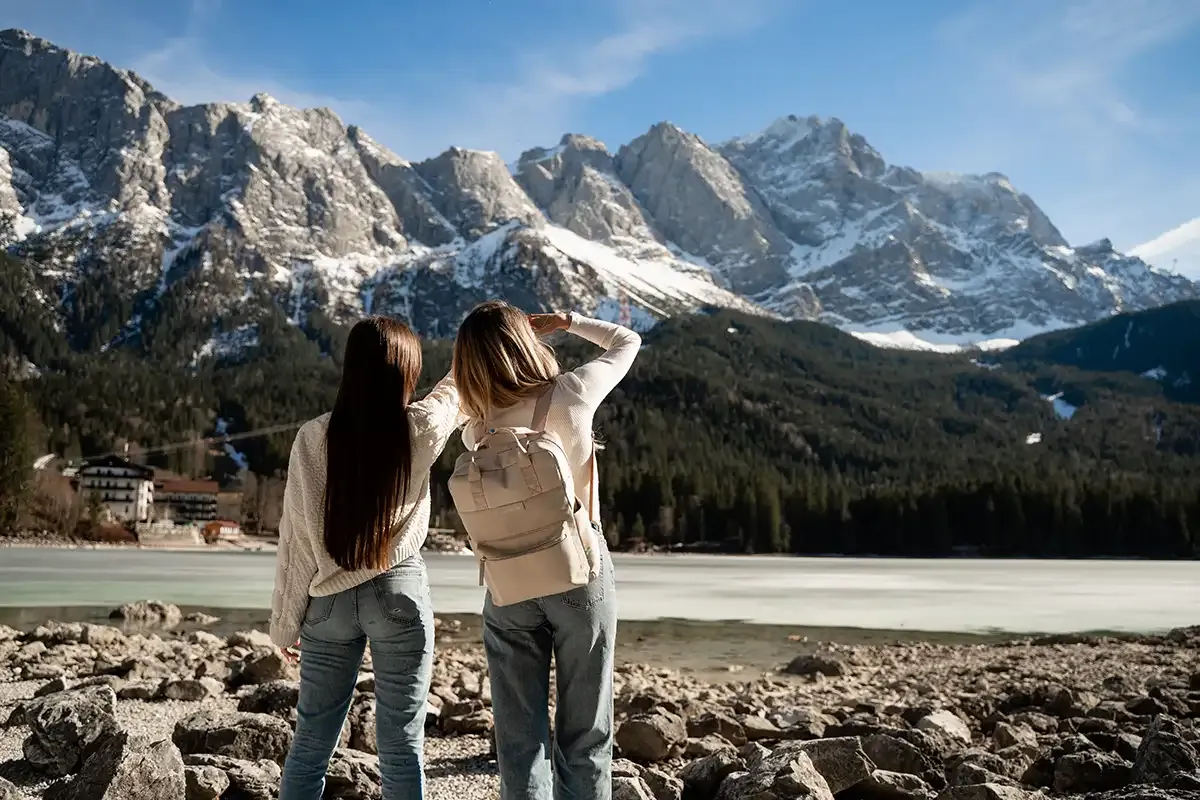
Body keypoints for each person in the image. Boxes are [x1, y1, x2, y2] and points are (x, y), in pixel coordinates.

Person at [452, 301, 641, 800]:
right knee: (586, 734)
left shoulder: (476, 424)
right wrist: (569, 323)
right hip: (579, 570)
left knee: (518, 739)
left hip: (507, 582)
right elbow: (628, 342)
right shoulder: (571, 394)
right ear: (526, 343)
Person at [269, 316, 463, 800]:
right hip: (398, 593)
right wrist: (490, 346)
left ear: (350, 366)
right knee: (401, 747)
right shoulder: (417, 428)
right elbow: (452, 394)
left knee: (310, 744)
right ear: (406, 372)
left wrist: (284, 624)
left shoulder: (311, 437)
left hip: (327, 601)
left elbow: (293, 540)